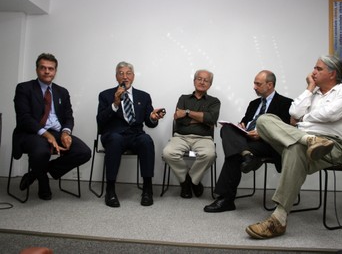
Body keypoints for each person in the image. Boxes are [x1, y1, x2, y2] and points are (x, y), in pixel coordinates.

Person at [245, 55, 342, 239]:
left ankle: (278, 219)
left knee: (294, 148)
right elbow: (294, 112)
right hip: (305, 141)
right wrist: (310, 88)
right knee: (264, 120)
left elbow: (328, 114)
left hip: (332, 146)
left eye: (318, 69)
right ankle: (308, 140)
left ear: (333, 73)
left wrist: (304, 119)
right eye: (315, 67)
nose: (313, 72)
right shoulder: (313, 94)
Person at [204, 70, 293, 212]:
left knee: (233, 155)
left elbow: (286, 131)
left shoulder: (286, 103)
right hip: (248, 141)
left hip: (268, 144)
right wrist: (242, 126)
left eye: (258, 84)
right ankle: (247, 155)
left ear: (270, 85)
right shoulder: (254, 103)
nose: (254, 87)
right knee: (226, 129)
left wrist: (262, 134)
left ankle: (226, 199)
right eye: (254, 83)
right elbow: (246, 121)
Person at [13, 53, 91, 201]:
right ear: (37, 69)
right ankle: (43, 182)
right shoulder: (24, 88)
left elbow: (69, 117)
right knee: (41, 152)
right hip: (31, 133)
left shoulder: (62, 91)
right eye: (43, 68)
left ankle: (36, 173)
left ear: (55, 71)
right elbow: (24, 118)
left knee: (84, 152)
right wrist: (46, 135)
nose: (47, 71)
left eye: (51, 68)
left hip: (56, 132)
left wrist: (65, 133)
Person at [97, 61, 165, 207]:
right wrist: (115, 104)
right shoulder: (105, 95)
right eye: (121, 73)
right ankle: (110, 190)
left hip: (135, 135)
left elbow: (149, 121)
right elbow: (100, 120)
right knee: (115, 140)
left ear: (133, 76)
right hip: (113, 134)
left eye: (128, 73)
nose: (125, 77)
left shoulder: (144, 96)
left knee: (146, 140)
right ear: (116, 77)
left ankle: (147, 189)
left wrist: (153, 118)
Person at [162, 70, 220, 198]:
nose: (202, 82)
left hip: (204, 138)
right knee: (168, 153)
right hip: (181, 136)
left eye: (206, 80)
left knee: (210, 154)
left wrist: (187, 112)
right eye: (199, 79)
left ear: (210, 84)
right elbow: (179, 119)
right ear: (194, 81)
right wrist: (202, 119)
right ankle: (186, 182)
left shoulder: (214, 101)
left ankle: (191, 180)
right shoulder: (183, 98)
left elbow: (211, 119)